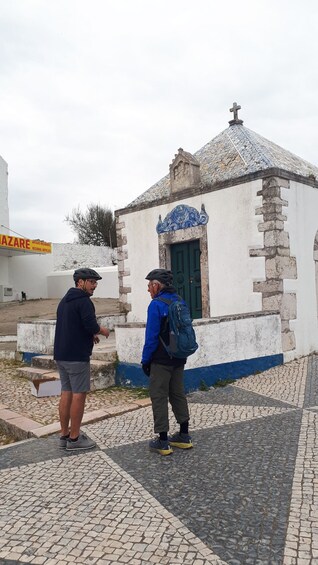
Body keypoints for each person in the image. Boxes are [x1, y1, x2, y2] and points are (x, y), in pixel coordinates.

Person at [54, 268, 110, 451]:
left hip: (62, 355)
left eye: (96, 282)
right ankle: (75, 438)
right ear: (80, 282)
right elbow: (90, 324)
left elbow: (74, 326)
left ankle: (64, 435)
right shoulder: (84, 301)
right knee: (79, 394)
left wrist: (89, 335)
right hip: (77, 357)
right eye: (92, 282)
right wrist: (101, 331)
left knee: (66, 392)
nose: (95, 286)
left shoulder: (64, 301)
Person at [141, 268, 193, 456]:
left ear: (156, 285)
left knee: (159, 396)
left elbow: (151, 337)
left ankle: (162, 441)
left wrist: (145, 361)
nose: (148, 289)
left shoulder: (156, 305)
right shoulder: (180, 300)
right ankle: (184, 435)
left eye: (149, 285)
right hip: (179, 357)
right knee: (178, 393)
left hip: (161, 359)